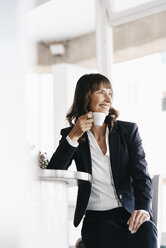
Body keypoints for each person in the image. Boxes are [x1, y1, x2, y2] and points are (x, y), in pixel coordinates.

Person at [47, 73, 158, 248]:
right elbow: (54, 171)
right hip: (96, 219)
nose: (108, 98)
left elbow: (141, 176)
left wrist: (143, 210)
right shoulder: (73, 134)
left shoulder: (128, 131)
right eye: (101, 92)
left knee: (147, 231)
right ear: (86, 96)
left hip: (128, 214)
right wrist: (73, 136)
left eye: (110, 92)